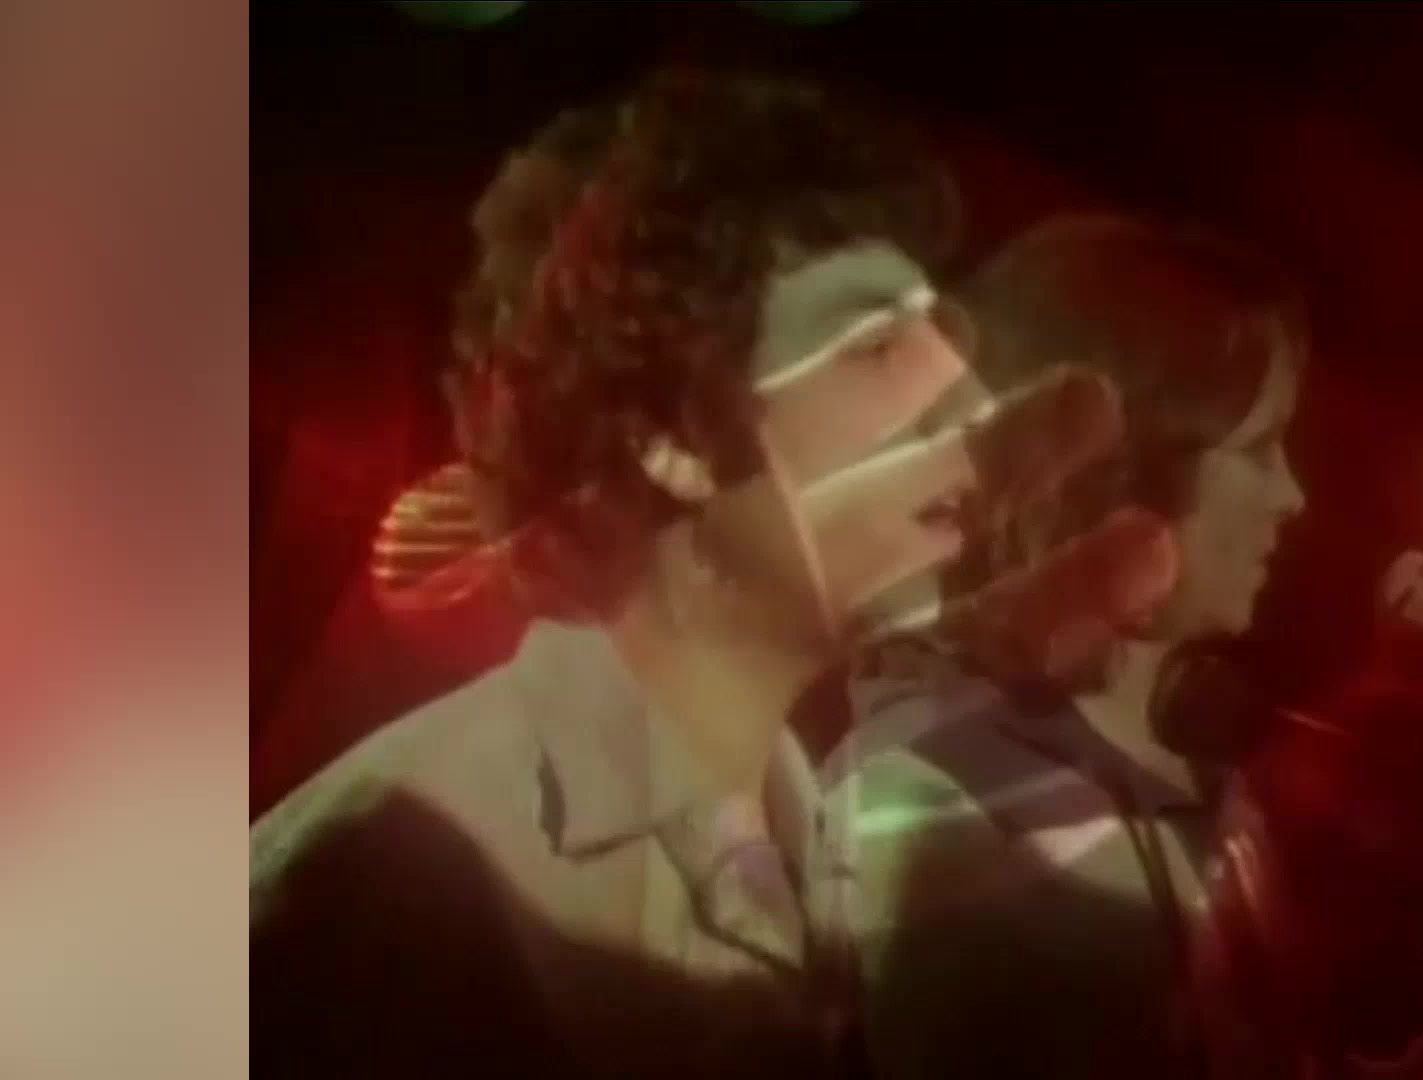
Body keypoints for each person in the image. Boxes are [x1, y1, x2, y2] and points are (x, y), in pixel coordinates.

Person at [250, 70, 1147, 1077]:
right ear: (672, 440)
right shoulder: (419, 862)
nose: (973, 402)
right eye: (879, 347)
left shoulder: (825, 850)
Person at [834, 215, 1310, 1079]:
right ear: (1121, 468)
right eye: (1259, 450)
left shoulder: (1209, 784)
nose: (1293, 496)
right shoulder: (941, 792)